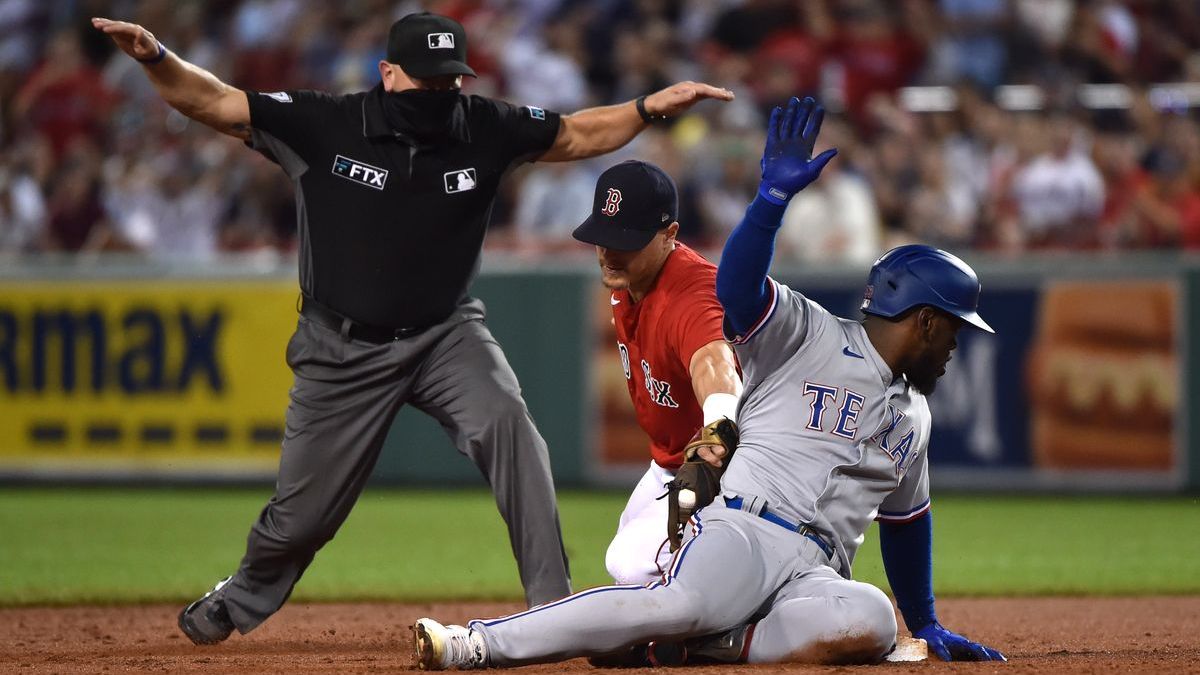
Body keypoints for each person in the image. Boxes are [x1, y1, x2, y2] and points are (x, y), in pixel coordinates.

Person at [91, 12, 734, 646]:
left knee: (513, 434)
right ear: (388, 73)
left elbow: (577, 133)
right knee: (300, 520)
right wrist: (155, 57)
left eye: (449, 79)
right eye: (426, 80)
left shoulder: (483, 125)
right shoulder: (326, 123)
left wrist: (648, 107)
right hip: (341, 346)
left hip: (444, 333)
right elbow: (215, 103)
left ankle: (554, 608)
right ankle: (243, 592)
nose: (440, 93)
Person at [412, 96, 1007, 668]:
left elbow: (907, 523)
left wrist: (924, 623)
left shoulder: (915, 418)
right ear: (925, 320)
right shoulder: (811, 333)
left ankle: (706, 645)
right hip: (746, 526)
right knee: (675, 602)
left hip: (817, 572)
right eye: (953, 329)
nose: (956, 343)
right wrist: (770, 200)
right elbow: (737, 291)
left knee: (871, 620)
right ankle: (477, 642)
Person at [570, 159, 742, 585]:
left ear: (669, 236)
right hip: (667, 463)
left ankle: (746, 615)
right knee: (626, 562)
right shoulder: (628, 279)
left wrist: (717, 432)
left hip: (728, 466)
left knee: (632, 565)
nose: (609, 253)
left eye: (625, 241)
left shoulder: (692, 295)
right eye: (602, 238)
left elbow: (715, 362)